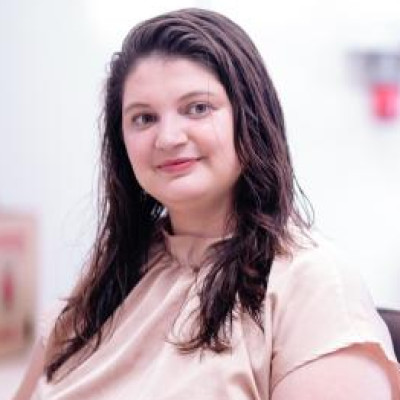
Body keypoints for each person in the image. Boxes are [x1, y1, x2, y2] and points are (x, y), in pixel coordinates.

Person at [13, 8, 400, 400]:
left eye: (197, 108)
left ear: (250, 118)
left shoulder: (313, 284)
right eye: (144, 118)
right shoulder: (110, 276)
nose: (168, 137)